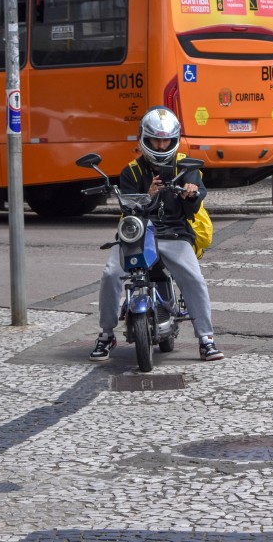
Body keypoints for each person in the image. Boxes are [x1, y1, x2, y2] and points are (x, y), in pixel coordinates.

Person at [91, 106, 223, 362]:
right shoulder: (131, 171)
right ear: (144, 138)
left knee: (193, 277)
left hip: (174, 233)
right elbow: (127, 208)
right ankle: (106, 334)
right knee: (110, 274)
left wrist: (191, 194)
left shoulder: (187, 166)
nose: (161, 146)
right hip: (138, 234)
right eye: (155, 139)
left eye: (166, 140)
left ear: (174, 140)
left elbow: (193, 207)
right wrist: (147, 196)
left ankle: (206, 338)